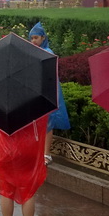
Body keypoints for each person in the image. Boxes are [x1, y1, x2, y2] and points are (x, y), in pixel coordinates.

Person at [0, 116, 47, 216]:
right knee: (28, 190)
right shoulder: (34, 102)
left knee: (6, 189)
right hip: (27, 149)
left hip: (3, 149)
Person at [28, 23, 71, 164]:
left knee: (48, 123)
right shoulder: (32, 52)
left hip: (47, 93)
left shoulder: (48, 53)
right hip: (35, 92)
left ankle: (47, 154)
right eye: (31, 38)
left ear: (43, 37)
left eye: (36, 38)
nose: (33, 41)